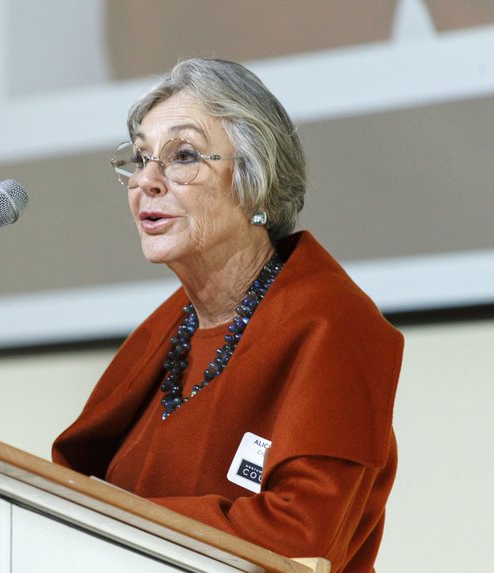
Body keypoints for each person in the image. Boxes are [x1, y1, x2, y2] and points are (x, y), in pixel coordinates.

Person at [52, 58, 403, 573]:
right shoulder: (165, 334)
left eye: (183, 156)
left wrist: (117, 520)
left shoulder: (334, 325)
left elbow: (302, 538)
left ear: (252, 178)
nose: (145, 181)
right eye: (141, 158)